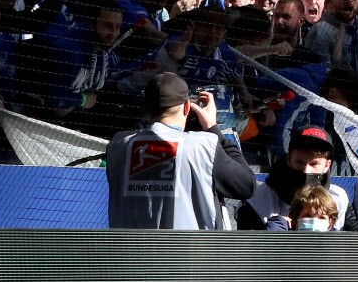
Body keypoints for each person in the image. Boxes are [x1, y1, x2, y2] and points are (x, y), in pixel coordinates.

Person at [105, 72, 256, 229]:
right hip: (188, 251)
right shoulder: (202, 146)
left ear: (147, 108)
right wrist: (213, 128)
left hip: (130, 251)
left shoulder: (119, 145)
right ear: (186, 107)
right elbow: (247, 186)